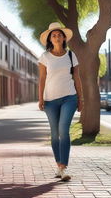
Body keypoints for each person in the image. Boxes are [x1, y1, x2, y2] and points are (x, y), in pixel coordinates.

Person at [38, 22, 83, 181]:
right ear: (50, 38)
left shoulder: (71, 55)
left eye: (59, 35)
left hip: (69, 97)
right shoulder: (45, 57)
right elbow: (42, 79)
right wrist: (40, 98)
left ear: (64, 38)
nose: (56, 37)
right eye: (54, 35)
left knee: (64, 130)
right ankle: (58, 166)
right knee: (55, 133)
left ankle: (63, 167)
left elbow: (77, 77)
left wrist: (80, 98)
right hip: (50, 100)